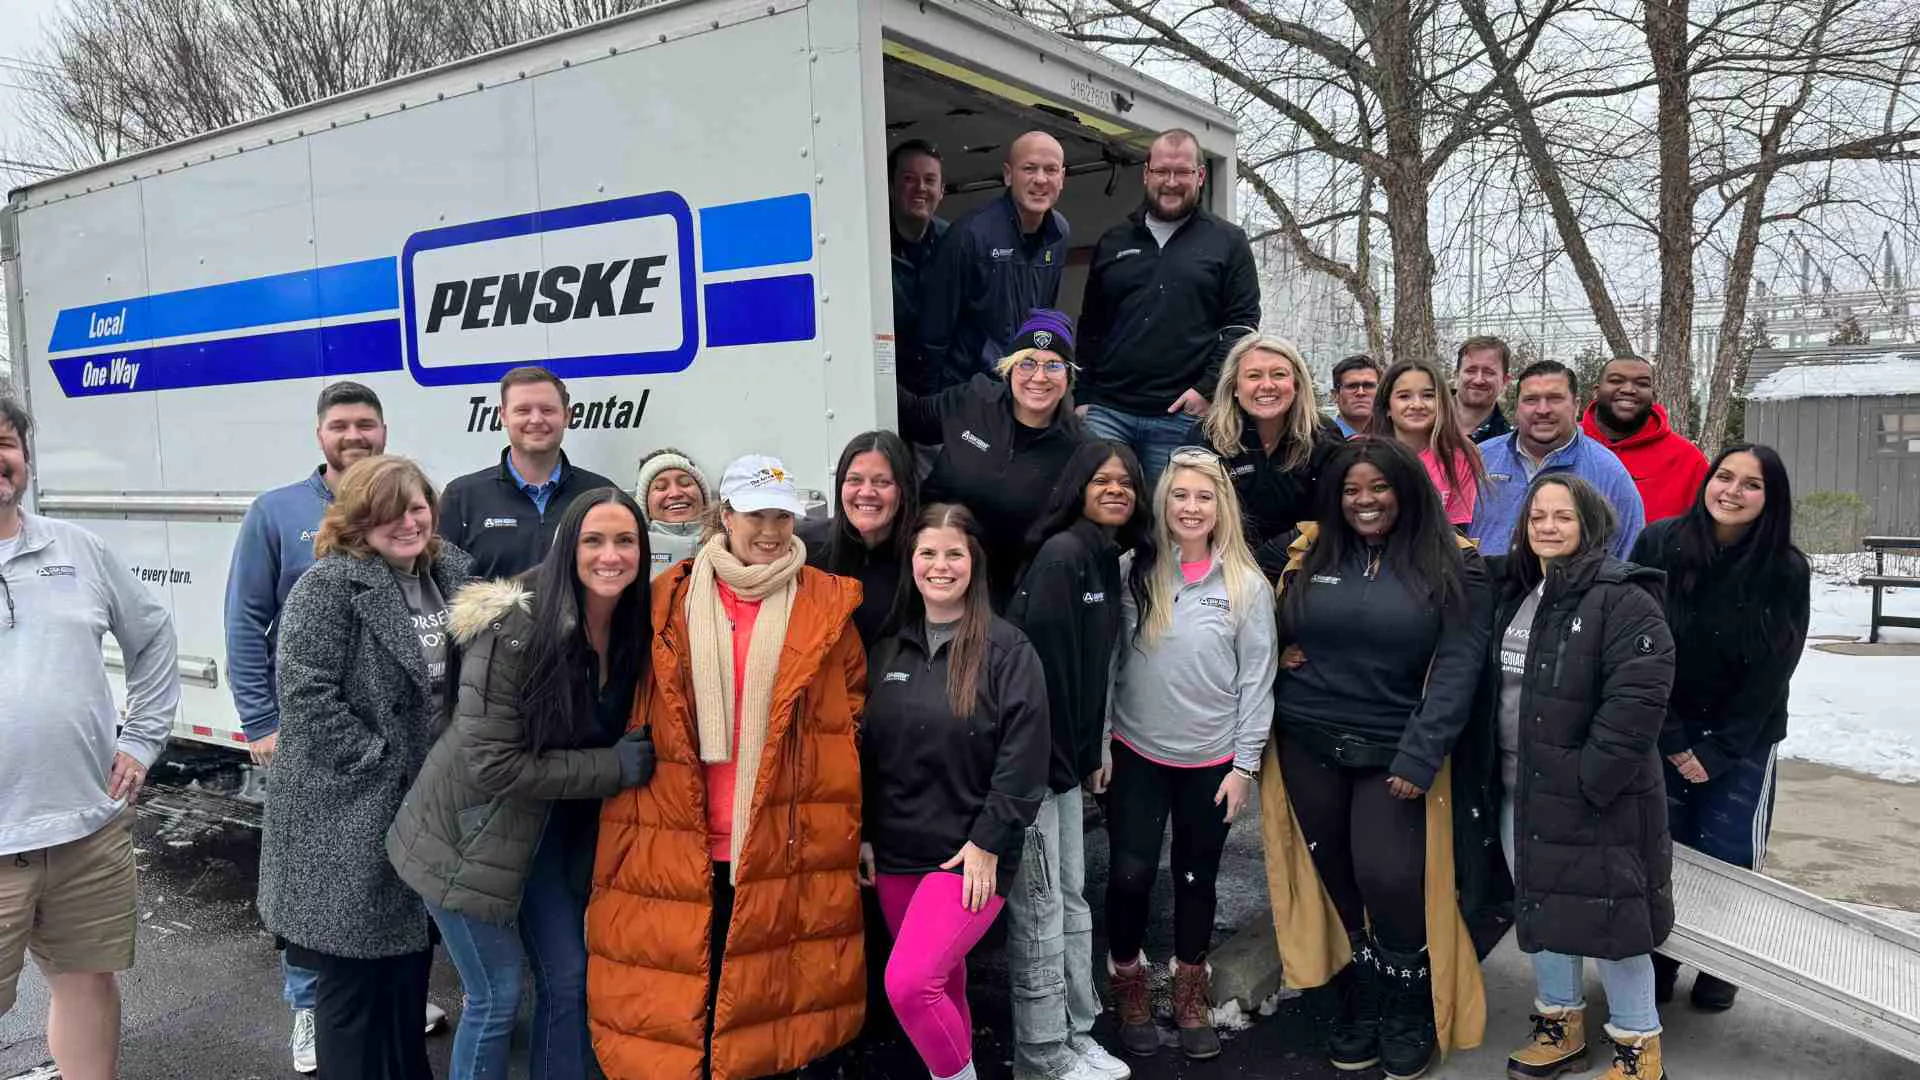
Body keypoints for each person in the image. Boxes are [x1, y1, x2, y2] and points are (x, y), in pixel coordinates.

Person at [587, 455, 867, 1080]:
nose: (769, 530)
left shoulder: (826, 605)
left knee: (766, 1000)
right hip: (679, 829)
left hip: (780, 831)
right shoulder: (668, 598)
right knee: (688, 992)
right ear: (726, 517)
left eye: (781, 517)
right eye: (755, 515)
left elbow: (849, 711)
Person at [388, 488, 659, 1080]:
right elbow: (493, 764)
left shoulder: (633, 622)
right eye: (593, 540)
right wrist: (612, 768)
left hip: (535, 833)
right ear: (567, 548)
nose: (610, 555)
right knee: (497, 995)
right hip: (464, 837)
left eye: (625, 541)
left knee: (568, 979)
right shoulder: (517, 625)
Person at [1261, 437, 1492, 1080]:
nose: (1364, 501)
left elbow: (1459, 668)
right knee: (1334, 876)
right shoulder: (1308, 552)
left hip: (1393, 748)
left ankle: (1408, 1003)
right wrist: (1274, 652)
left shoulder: (1455, 563)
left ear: (1407, 489)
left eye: (1379, 487)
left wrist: (1421, 756)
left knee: (1387, 877)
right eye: (1351, 490)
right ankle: (1363, 994)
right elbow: (1241, 605)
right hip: (1307, 738)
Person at [258, 456, 473, 1080]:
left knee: (407, 977)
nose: (407, 523)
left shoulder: (454, 574)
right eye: (387, 512)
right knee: (352, 992)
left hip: (426, 807)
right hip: (347, 814)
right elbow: (307, 697)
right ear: (356, 518)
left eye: (416, 507)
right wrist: (383, 767)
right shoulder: (327, 587)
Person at [221, 380, 415, 1071]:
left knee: (379, 874)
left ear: (384, 430)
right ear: (320, 435)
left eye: (366, 423)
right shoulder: (276, 512)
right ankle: (310, 1008)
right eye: (340, 425)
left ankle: (377, 990)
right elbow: (245, 620)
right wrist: (261, 723)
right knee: (317, 884)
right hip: (314, 738)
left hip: (390, 745)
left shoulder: (401, 505)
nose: (354, 435)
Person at [0, 397, 179, 1080]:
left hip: (86, 829)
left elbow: (154, 635)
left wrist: (141, 740)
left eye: (5, 442)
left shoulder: (78, 549)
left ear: (25, 457)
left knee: (85, 982)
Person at [1495, 474, 1675, 1080]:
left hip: (1596, 798)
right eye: (1537, 516)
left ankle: (1638, 1047)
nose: (1547, 526)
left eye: (1563, 516)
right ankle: (1560, 1026)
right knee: (1542, 912)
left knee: (1613, 919)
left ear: (1591, 524)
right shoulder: (1521, 592)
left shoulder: (1623, 598)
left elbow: (1638, 701)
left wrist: (1588, 783)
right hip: (1521, 791)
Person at [860, 504, 1049, 1080]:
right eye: (927, 553)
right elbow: (868, 755)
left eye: (954, 554)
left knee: (910, 983)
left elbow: (1024, 758)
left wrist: (989, 841)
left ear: (975, 563)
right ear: (911, 561)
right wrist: (864, 834)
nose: (939, 565)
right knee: (942, 986)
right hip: (896, 853)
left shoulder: (1007, 650)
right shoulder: (889, 650)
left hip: (968, 856)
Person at [1104, 447, 1278, 1062]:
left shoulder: (1246, 585)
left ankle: (1188, 989)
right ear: (1163, 503)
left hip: (1211, 760)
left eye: (1204, 496)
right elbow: (1109, 663)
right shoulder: (1134, 569)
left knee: (1196, 876)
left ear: (1220, 506)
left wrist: (1245, 766)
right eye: (1180, 495)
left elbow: (1257, 680)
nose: (1191, 507)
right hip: (1136, 751)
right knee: (1129, 874)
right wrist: (1101, 741)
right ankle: (1128, 981)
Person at [1630, 444, 1809, 1013]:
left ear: (1771, 498)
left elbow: (1777, 667)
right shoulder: (1660, 543)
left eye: (1751, 484)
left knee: (1727, 850)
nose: (1732, 491)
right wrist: (1673, 736)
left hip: (1743, 735)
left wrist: (1722, 749)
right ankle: (1660, 958)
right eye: (1724, 477)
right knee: (1662, 847)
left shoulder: (1785, 568)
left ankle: (1722, 964)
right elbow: (1635, 640)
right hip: (1664, 722)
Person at [1003, 441, 1151, 1080]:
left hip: (1065, 765)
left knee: (1069, 898)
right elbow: (1042, 676)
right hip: (1034, 768)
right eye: (1101, 480)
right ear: (1077, 488)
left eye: (1126, 482)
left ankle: (1076, 1032)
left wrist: (1094, 750)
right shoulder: (1063, 556)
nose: (1116, 489)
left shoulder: (1103, 558)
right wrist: (1063, 760)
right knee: (1041, 907)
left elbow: (1093, 675)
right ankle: (1040, 1053)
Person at [1076, 129, 1261, 490]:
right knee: (1099, 513)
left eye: (1182, 172)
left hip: (1181, 417)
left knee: (1171, 517)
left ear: (1200, 176)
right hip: (1108, 414)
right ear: (1146, 173)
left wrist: (1206, 389)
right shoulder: (1113, 241)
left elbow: (1242, 326)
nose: (1171, 182)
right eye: (1162, 171)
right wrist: (1083, 398)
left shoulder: (1228, 241)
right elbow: (1091, 327)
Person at [900, 309, 1089, 610]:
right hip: (932, 570)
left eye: (1053, 365)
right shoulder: (975, 399)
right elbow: (914, 416)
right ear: (1009, 368)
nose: (1039, 377)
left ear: (1068, 376)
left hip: (1006, 594)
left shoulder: (1080, 448)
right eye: (1027, 363)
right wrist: (864, 356)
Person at [918, 131, 1070, 390]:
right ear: (1008, 174)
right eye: (1029, 168)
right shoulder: (970, 234)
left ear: (1062, 177)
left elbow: (1042, 316)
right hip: (968, 390)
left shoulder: (1059, 233)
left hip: (1021, 389)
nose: (1040, 179)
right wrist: (937, 402)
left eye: (1051, 170)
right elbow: (933, 332)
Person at [1185, 335, 1342, 578]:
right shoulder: (1206, 436)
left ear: (1296, 384)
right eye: (1254, 376)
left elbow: (1335, 517)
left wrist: (1275, 557)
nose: (1267, 385)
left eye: (1279, 374)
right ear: (1234, 387)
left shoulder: (1323, 435)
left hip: (1302, 565)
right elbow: (1188, 510)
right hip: (1223, 565)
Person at [441, 366, 618, 579]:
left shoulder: (601, 494)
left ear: (567, 416)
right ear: (503, 416)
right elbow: (441, 583)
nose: (536, 420)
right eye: (523, 410)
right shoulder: (461, 497)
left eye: (547, 410)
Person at [1470, 360, 1644, 560]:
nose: (1542, 410)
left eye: (1555, 399)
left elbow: (1627, 556)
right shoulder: (1479, 460)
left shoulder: (1609, 474)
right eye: (1531, 399)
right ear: (1517, 407)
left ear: (1576, 405)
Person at [798, 430, 920, 647]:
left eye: (882, 482)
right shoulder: (804, 547)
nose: (866, 492)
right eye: (855, 480)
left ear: (903, 492)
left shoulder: (922, 558)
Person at [1580, 355, 1711, 525]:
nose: (1628, 389)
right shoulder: (1566, 445)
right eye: (1616, 380)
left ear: (1653, 396)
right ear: (1596, 391)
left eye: (1642, 383)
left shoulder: (1687, 459)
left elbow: (1707, 528)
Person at [1368, 359, 1485, 528]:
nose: (1417, 405)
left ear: (1441, 403)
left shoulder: (1460, 458)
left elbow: (1455, 530)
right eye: (1404, 396)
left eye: (1428, 395)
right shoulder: (1362, 453)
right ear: (1387, 407)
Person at [889, 139, 951, 395]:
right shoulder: (867, 240)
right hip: (886, 386)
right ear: (890, 187)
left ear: (942, 190)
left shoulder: (954, 243)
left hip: (938, 390)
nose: (921, 188)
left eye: (930, 180)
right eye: (909, 179)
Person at [637, 447, 712, 578]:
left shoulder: (732, 543)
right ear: (645, 505)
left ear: (703, 496)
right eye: (661, 487)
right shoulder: (634, 552)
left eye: (685, 483)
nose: (675, 493)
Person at [1455, 336, 1514, 443]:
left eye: (1489, 372)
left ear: (1504, 381)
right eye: (1471, 371)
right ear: (1456, 375)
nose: (1478, 380)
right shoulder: (1426, 421)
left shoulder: (1509, 443)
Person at [1330, 354, 1382, 438]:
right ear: (1335, 395)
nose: (1361, 392)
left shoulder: (1397, 439)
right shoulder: (1317, 441)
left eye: (1369, 386)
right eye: (1352, 386)